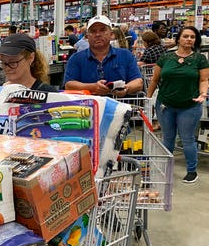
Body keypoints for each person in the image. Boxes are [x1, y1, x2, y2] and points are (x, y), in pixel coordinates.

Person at [146, 26, 209, 183]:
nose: (189, 39)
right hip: (165, 104)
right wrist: (147, 99)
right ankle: (166, 169)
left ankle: (191, 170)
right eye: (186, 36)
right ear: (178, 39)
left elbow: (203, 80)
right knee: (167, 138)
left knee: (187, 138)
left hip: (190, 105)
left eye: (192, 37)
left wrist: (203, 94)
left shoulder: (200, 59)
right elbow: (154, 80)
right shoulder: (165, 57)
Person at [63, 15, 143, 96]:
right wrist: (93, 87)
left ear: (111, 34)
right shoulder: (76, 58)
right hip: (87, 107)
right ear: (87, 36)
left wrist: (126, 88)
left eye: (102, 30)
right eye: (93, 31)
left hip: (121, 106)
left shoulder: (126, 55)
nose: (98, 34)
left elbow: (138, 82)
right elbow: (69, 85)